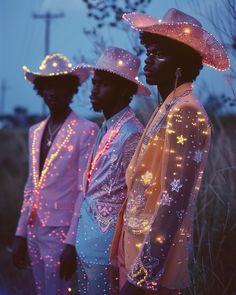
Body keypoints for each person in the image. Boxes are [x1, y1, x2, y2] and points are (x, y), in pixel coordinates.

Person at [110, 8, 230, 295]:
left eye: (158, 54)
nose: (147, 61)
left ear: (181, 64)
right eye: (148, 52)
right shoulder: (167, 108)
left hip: (154, 267)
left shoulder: (186, 112)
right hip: (135, 246)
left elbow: (174, 200)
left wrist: (142, 276)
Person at [12, 53, 99, 295]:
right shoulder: (35, 131)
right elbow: (31, 185)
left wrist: (71, 242)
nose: (52, 91)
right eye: (46, 85)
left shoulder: (86, 130)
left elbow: (85, 189)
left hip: (61, 232)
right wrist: (19, 233)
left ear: (72, 89)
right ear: (40, 89)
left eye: (59, 85)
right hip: (33, 228)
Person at [75, 47, 150, 295]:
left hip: (107, 249)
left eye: (103, 84)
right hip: (86, 241)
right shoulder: (105, 127)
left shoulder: (132, 134)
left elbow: (137, 200)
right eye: (94, 83)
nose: (94, 90)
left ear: (124, 90)